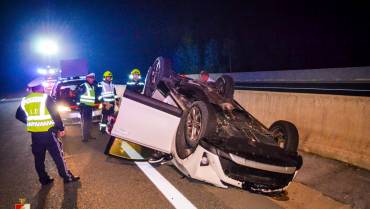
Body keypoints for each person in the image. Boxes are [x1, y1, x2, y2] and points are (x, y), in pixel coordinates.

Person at [15, 77, 80, 185]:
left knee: (39, 159)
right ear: (41, 88)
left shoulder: (25, 100)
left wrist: (30, 121)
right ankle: (66, 177)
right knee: (58, 156)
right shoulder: (45, 98)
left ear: (32, 89)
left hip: (35, 135)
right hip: (49, 133)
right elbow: (55, 114)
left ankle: (44, 179)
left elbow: (18, 115)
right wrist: (61, 128)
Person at [76, 73, 97, 142]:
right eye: (91, 78)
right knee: (85, 122)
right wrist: (79, 105)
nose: (92, 79)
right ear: (87, 78)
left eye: (93, 78)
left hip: (90, 106)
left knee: (89, 122)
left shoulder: (92, 86)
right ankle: (85, 138)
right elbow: (78, 96)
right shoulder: (83, 86)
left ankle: (89, 135)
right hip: (84, 107)